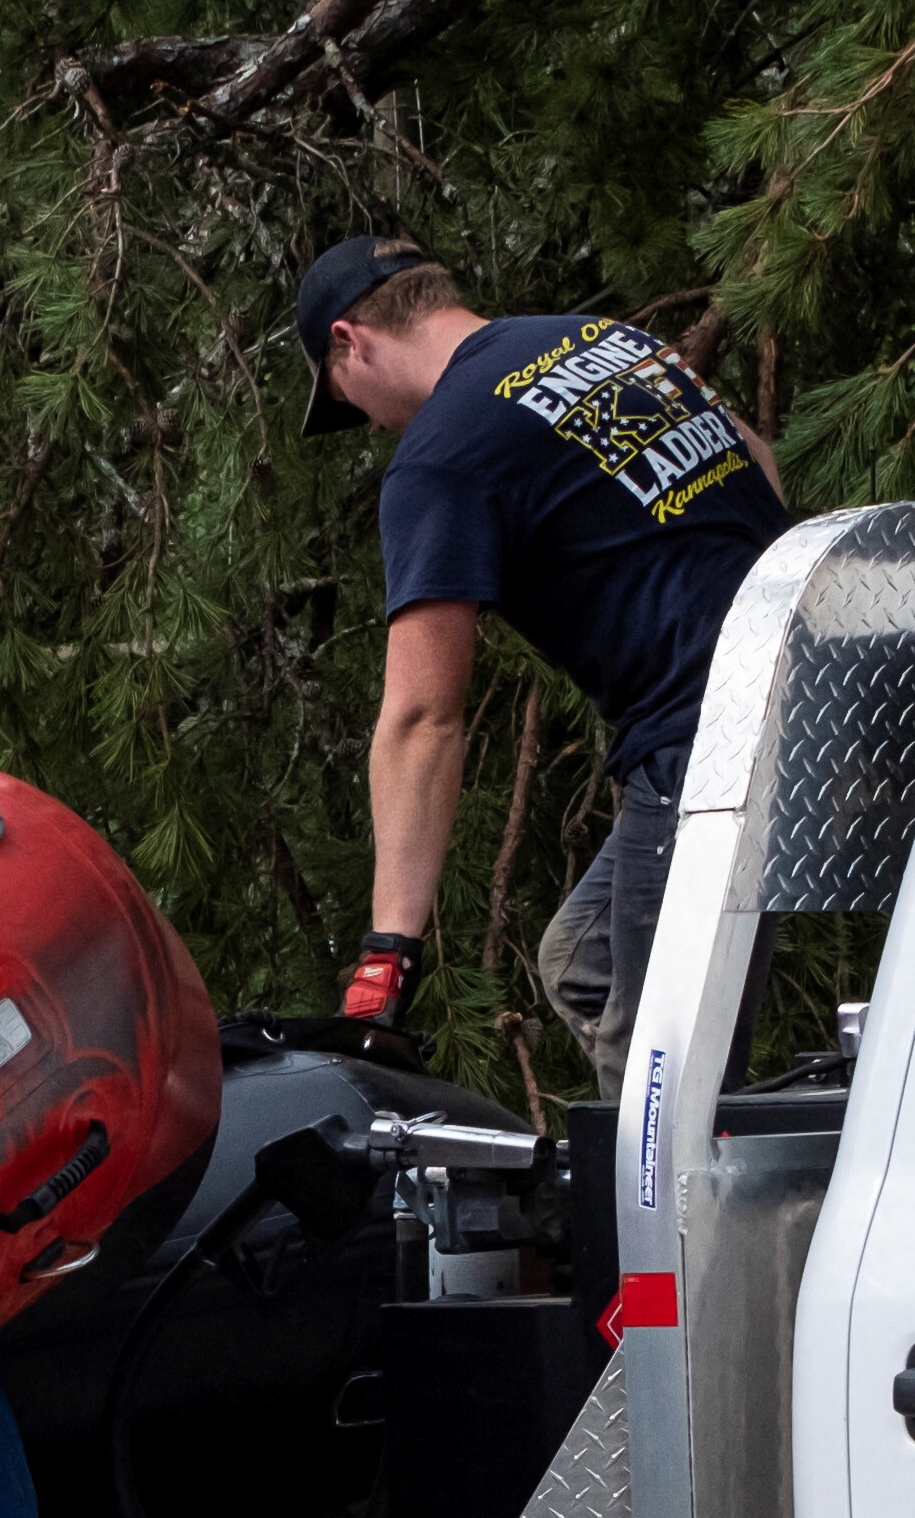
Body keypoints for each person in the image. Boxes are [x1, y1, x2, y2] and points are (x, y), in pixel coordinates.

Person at [287, 235, 794, 1059]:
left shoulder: (439, 456)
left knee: (665, 1078)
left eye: (348, 400)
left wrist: (387, 957)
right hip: (804, 685)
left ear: (350, 340)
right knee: (583, 964)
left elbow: (423, 719)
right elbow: (758, 464)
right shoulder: (601, 340)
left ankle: (688, 1188)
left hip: (701, 752)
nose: (372, 424)